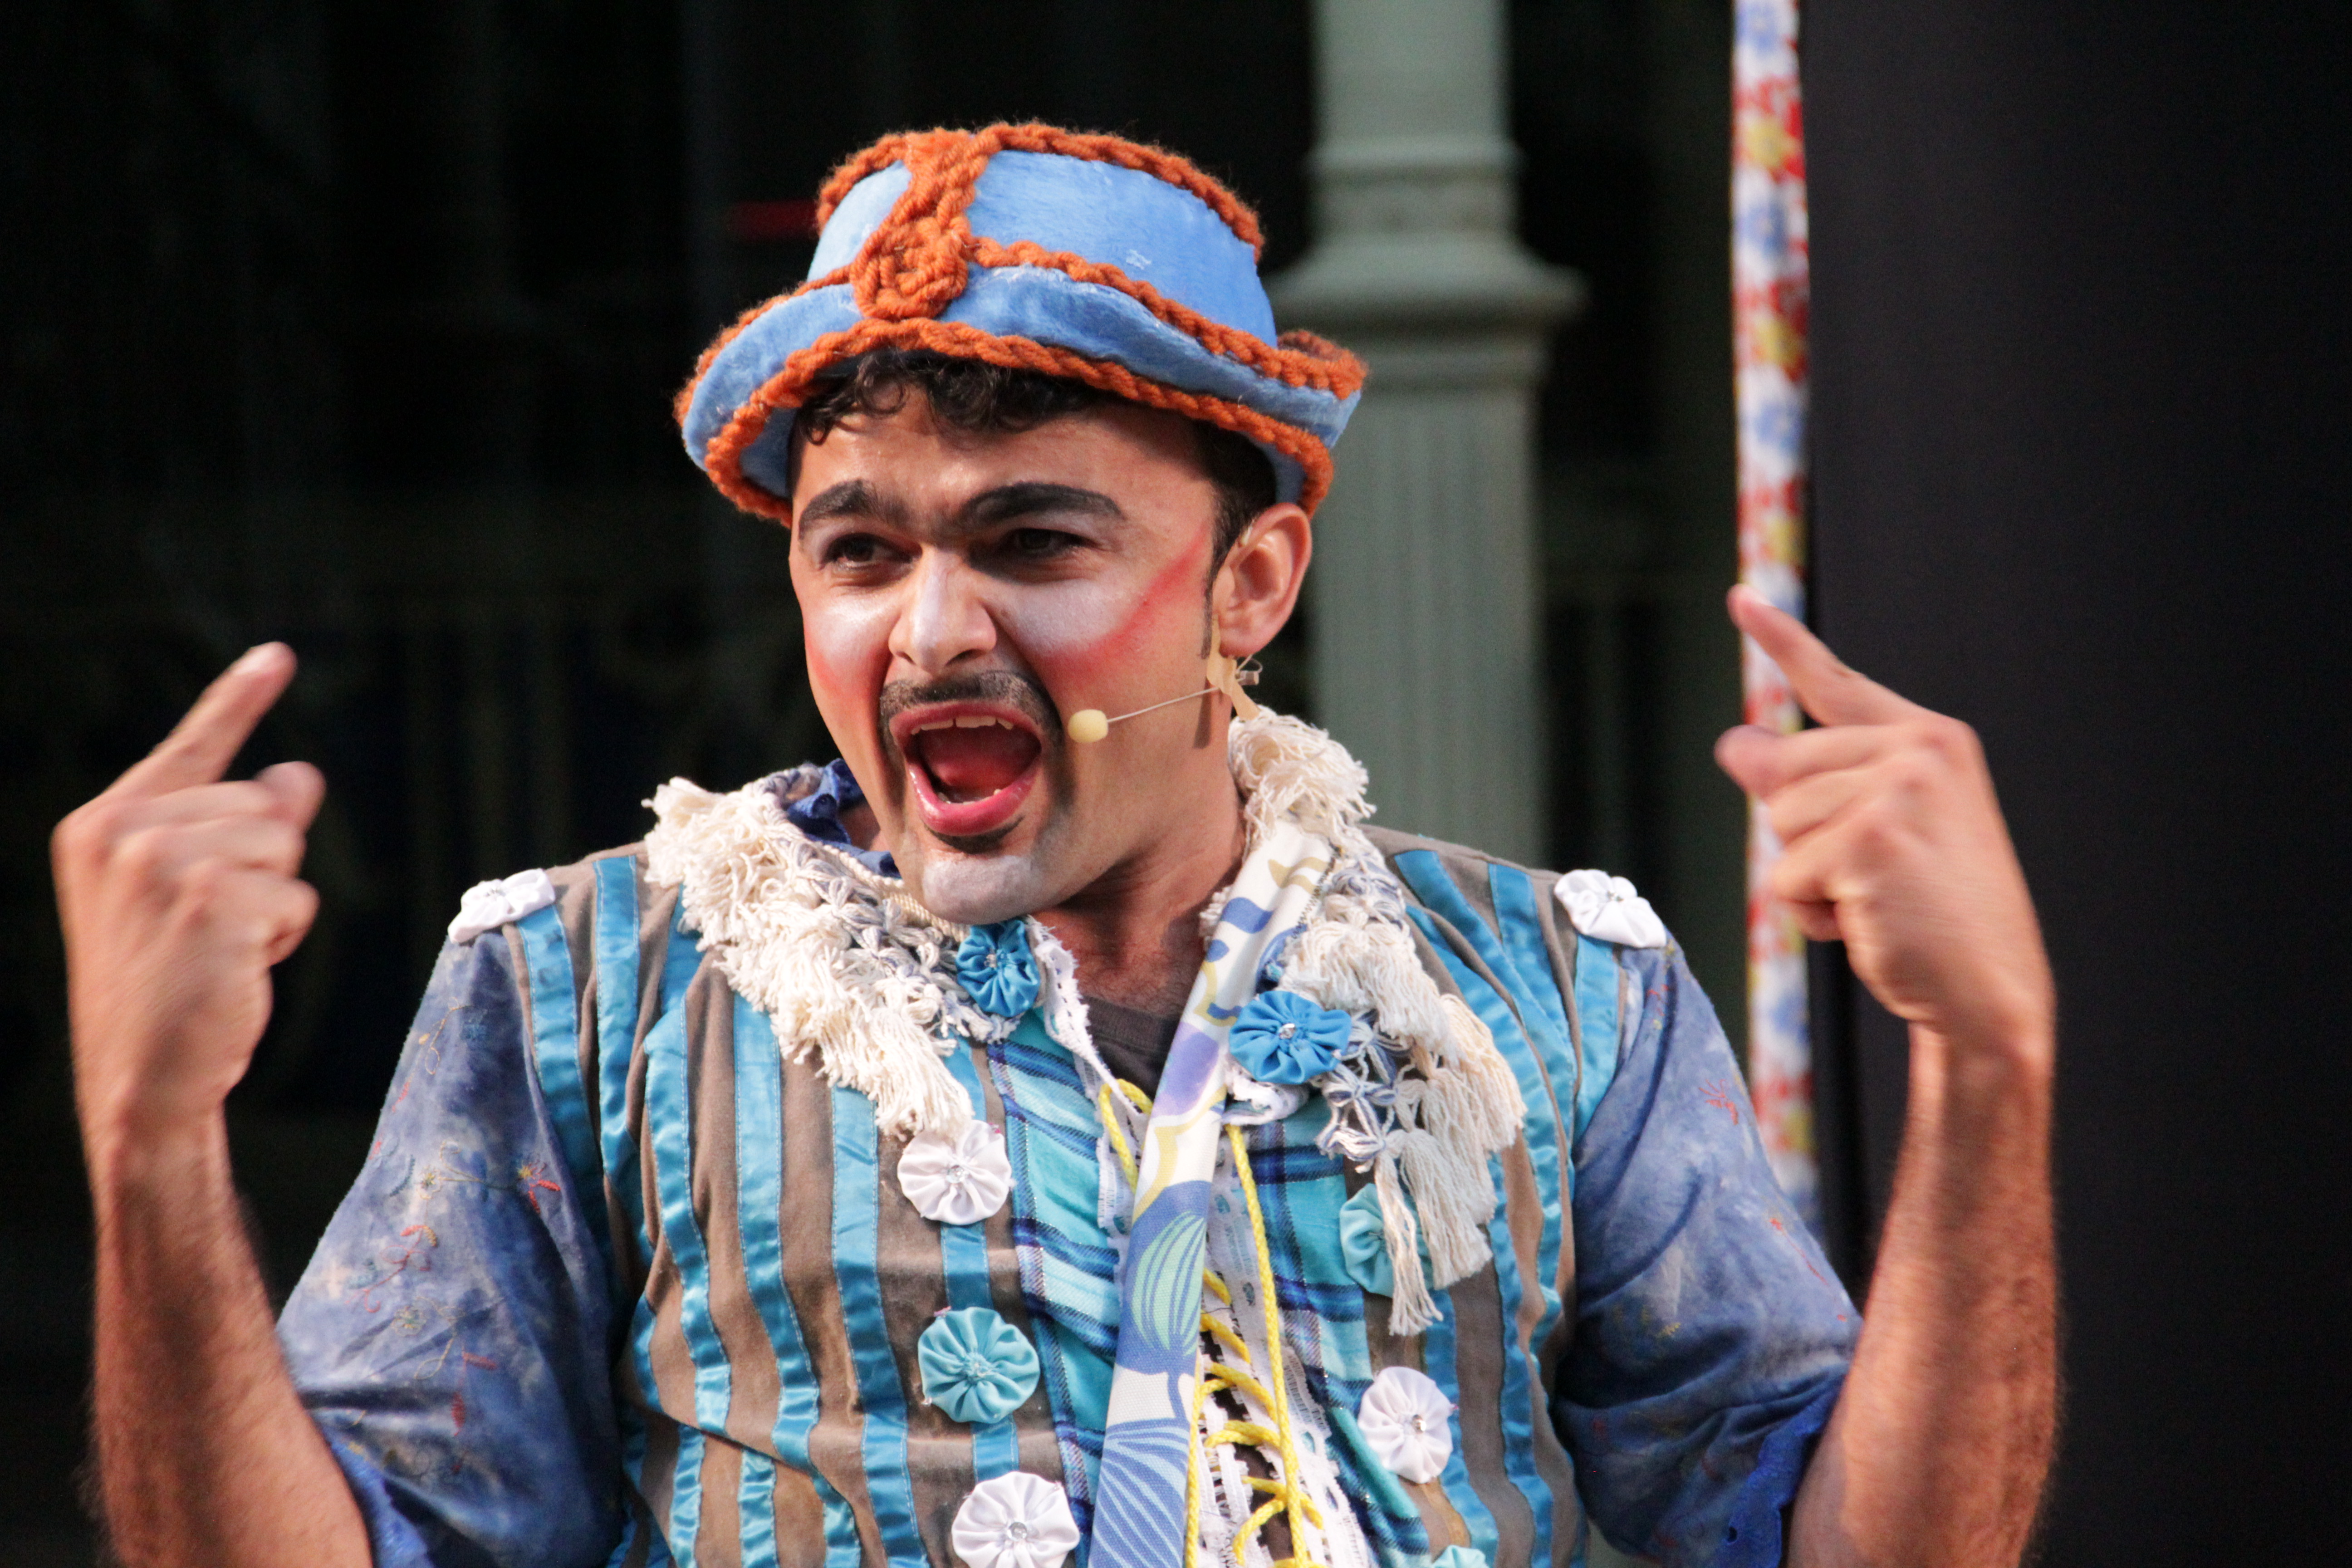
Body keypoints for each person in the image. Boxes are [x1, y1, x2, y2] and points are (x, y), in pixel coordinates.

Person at [54, 126, 2055, 1568]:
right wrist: (151, 1154)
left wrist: (1986, 1071)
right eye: (860, 553)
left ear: (1251, 583)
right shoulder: (587, 989)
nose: (930, 632)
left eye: (1032, 540)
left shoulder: (1546, 988)